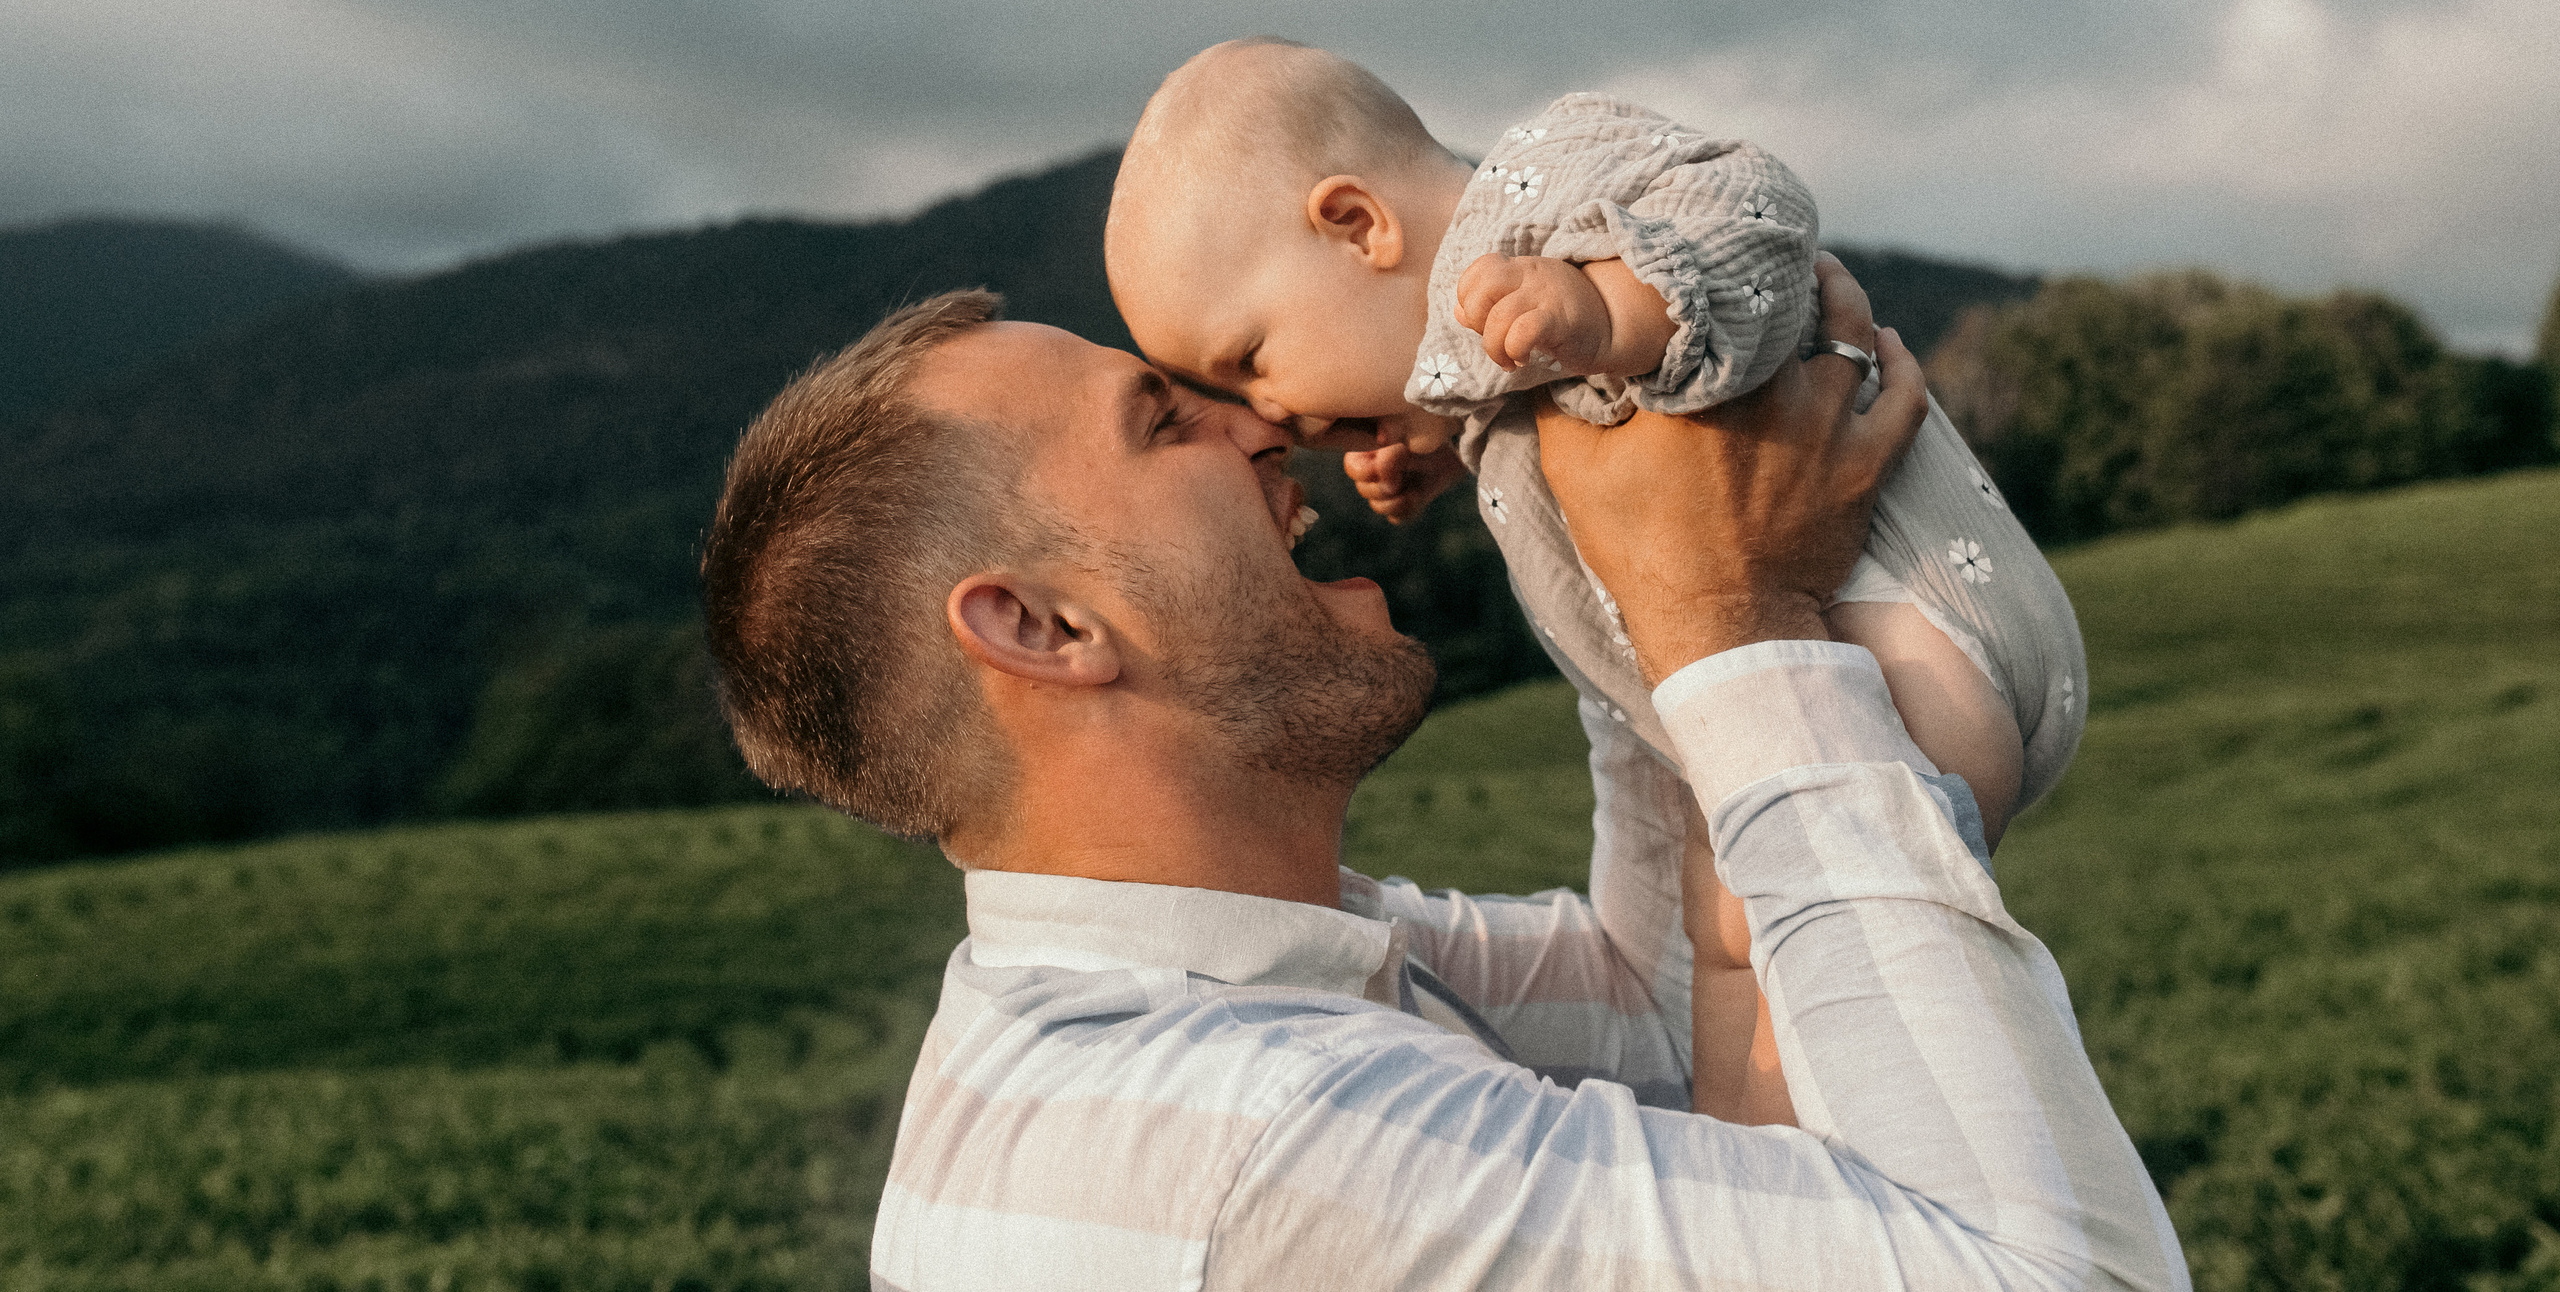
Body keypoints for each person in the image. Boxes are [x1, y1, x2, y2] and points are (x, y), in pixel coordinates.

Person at [697, 265, 2186, 1289]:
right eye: (1166, 422)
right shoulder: (1242, 1136)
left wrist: (1595, 528)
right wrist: (1731, 629)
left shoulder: (1191, 1002)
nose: (1268, 424)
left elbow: (1660, 995)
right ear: (1044, 627)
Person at [1105, 37, 2088, 1121]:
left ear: (1355, 225)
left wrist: (1613, 311)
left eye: (1249, 356)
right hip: (1800, 685)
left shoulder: (1543, 185)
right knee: (1729, 938)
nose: (1273, 414)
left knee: (1782, 925)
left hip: (1913, 634)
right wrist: (1441, 438)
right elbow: (1536, 409)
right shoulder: (1487, 352)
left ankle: (1822, 1170)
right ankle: (1743, 1151)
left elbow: (1751, 207)